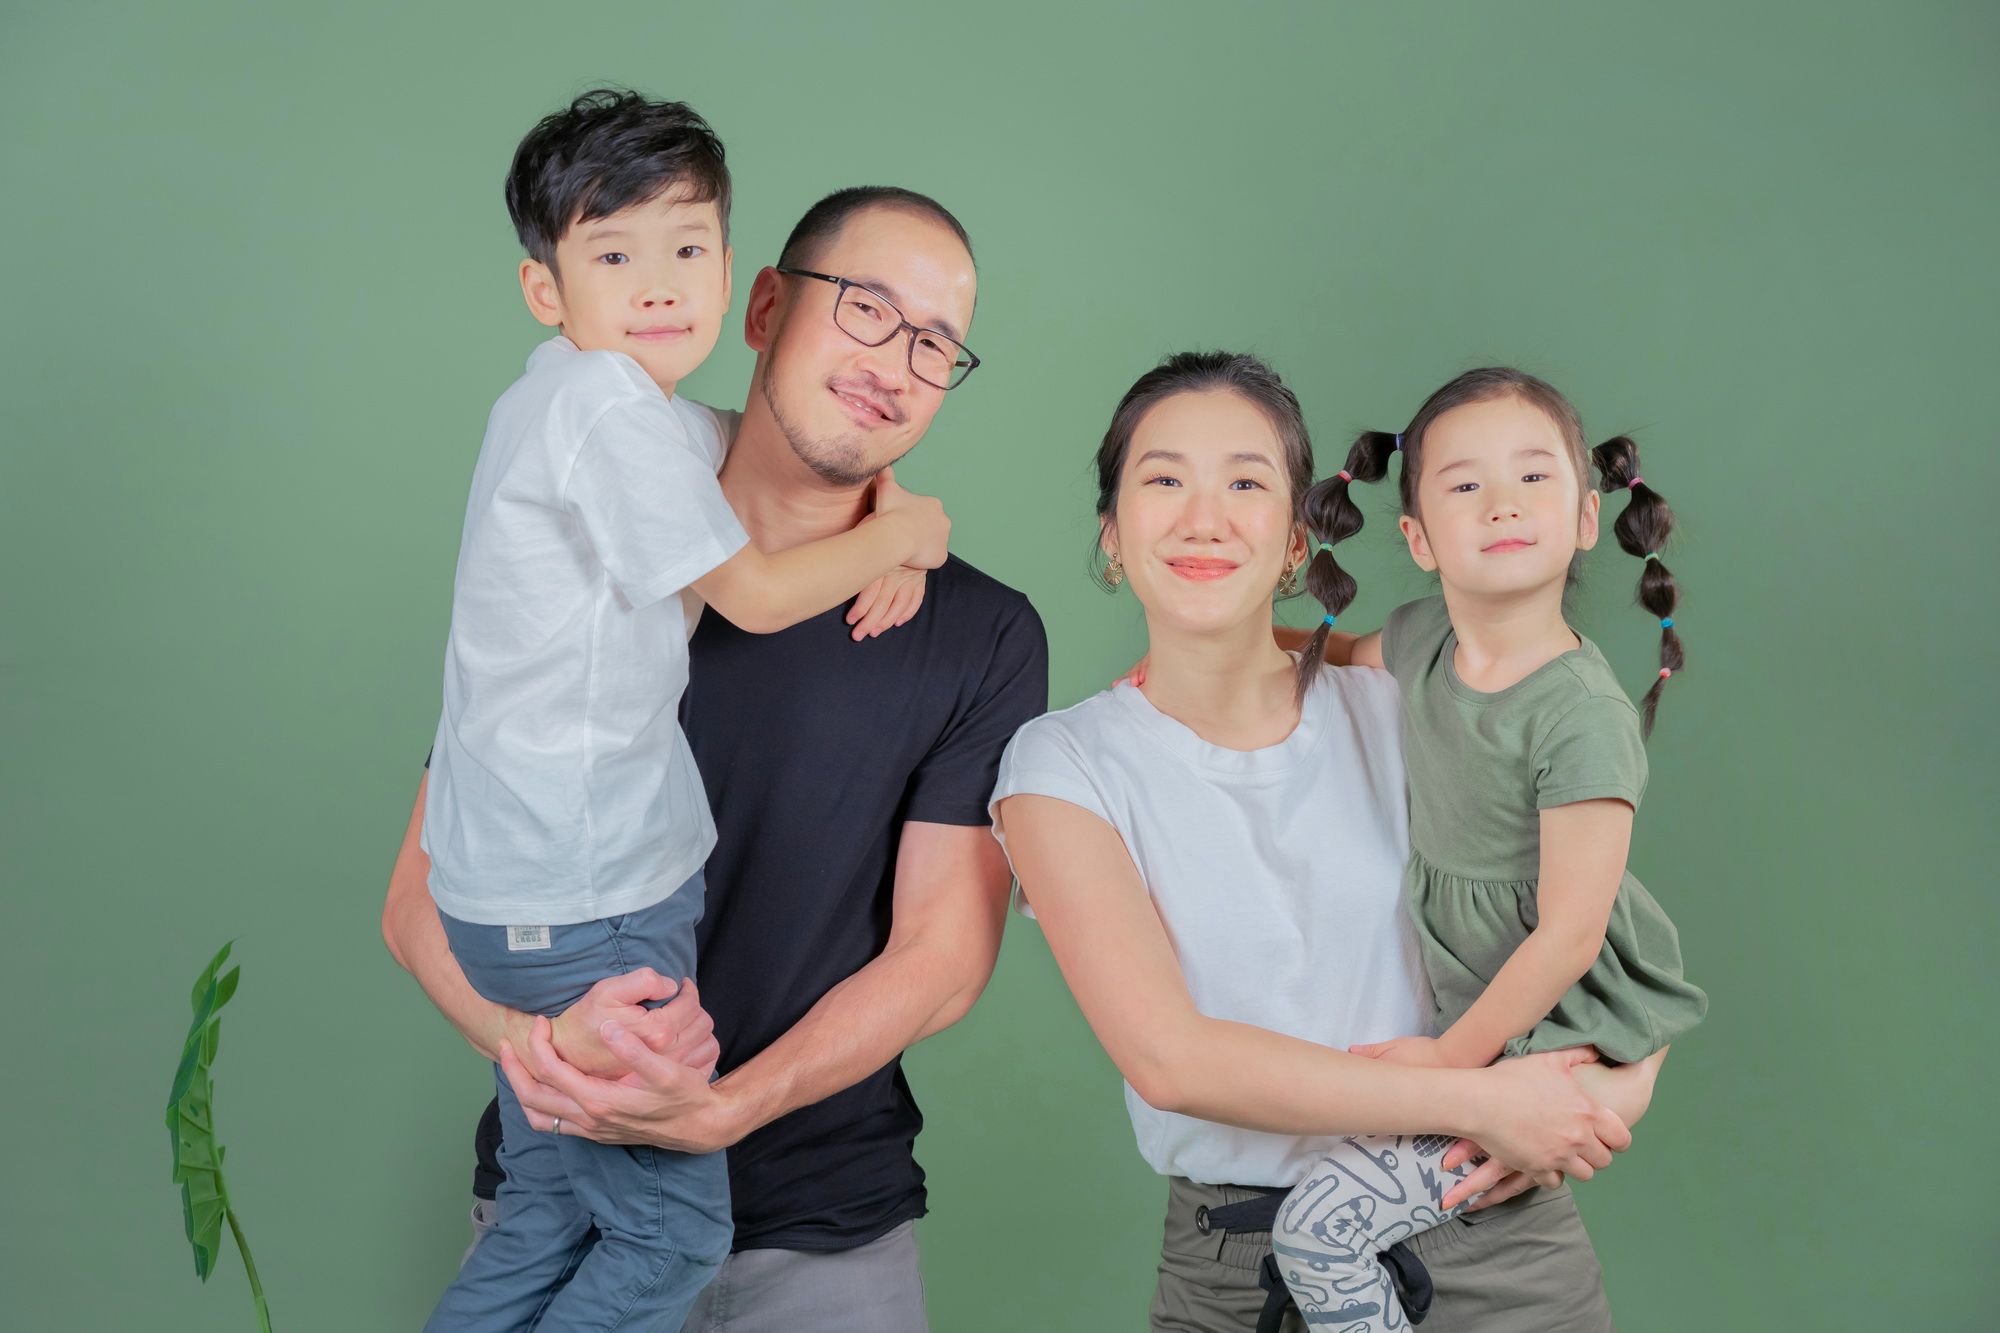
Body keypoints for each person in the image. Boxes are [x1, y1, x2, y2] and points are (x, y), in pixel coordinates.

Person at [385, 183, 1047, 1333]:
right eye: (865, 309)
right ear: (765, 308)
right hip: (562, 1201)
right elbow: (419, 896)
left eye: (935, 343)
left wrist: (725, 1108)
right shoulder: (578, 559)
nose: (894, 364)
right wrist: (539, 1051)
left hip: (827, 1240)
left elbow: (941, 955)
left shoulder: (979, 634)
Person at [991, 352, 1658, 1332]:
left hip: (1487, 1240)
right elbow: (1172, 1061)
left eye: (1246, 484)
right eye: (1164, 480)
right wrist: (1475, 1099)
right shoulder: (1063, 763)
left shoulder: (1405, 701)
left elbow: (1581, 920)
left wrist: (1610, 1084)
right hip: (1237, 1269)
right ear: (1112, 534)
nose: (1204, 518)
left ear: (1297, 540)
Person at [1269, 367, 1707, 1328]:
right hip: (1483, 1005)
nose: (1502, 502)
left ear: (1587, 518)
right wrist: (1226, 646)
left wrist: (1447, 1067)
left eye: (1533, 477)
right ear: (1418, 538)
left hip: (1570, 1019)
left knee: (1318, 1230)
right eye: (1465, 483)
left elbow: (1569, 937)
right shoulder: (1423, 636)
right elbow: (1336, 654)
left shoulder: (1580, 714)